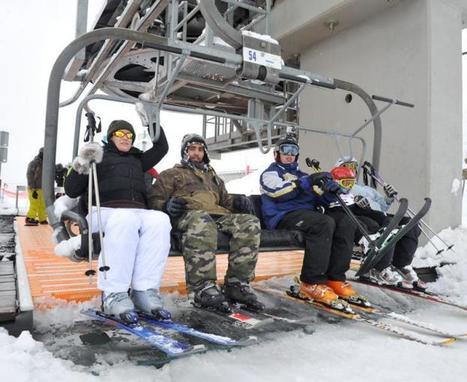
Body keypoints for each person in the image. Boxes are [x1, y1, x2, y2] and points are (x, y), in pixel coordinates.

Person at [64, 120, 172, 320]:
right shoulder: (98, 157)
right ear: (111, 136)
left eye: (129, 135)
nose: (126, 138)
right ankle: (114, 293)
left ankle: (144, 290)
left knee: (160, 220)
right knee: (125, 219)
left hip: (137, 212)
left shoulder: (137, 159)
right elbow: (71, 189)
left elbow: (162, 147)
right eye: (121, 134)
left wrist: (151, 120)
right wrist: (82, 161)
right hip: (104, 211)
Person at [148, 133, 264, 312]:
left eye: (200, 149)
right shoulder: (172, 174)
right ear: (184, 152)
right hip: (189, 214)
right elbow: (154, 199)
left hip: (217, 215)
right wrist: (166, 206)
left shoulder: (213, 177)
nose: (196, 153)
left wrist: (237, 201)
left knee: (250, 223)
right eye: (192, 149)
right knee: (202, 222)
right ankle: (202, 287)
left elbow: (225, 201)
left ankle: (237, 283)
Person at [259, 135, 364, 309]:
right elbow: (278, 193)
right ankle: (311, 282)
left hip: (307, 215)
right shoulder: (270, 174)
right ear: (277, 153)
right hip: (282, 216)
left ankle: (335, 278)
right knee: (323, 223)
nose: (290, 155)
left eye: (294, 151)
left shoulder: (303, 175)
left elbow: (322, 199)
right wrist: (305, 182)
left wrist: (330, 191)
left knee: (346, 221)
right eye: (285, 150)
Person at [334, 156, 425, 289]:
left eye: (353, 167)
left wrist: (388, 198)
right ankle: (380, 267)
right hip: (360, 214)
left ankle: (402, 264)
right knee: (386, 226)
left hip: (379, 214)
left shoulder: (366, 189)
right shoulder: (341, 187)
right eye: (346, 167)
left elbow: (383, 206)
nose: (350, 171)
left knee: (410, 224)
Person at [25, 147, 47, 226]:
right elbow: (29, 175)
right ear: (41, 153)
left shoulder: (44, 164)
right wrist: (33, 188)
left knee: (42, 204)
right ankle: (30, 218)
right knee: (34, 203)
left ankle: (42, 218)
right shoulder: (34, 163)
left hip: (41, 188)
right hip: (34, 188)